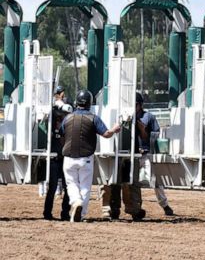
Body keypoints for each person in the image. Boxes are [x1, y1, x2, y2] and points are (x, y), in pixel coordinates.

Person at [61, 90, 121, 222]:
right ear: (90, 103)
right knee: (85, 187)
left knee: (71, 184)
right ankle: (80, 214)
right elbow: (106, 134)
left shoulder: (67, 118)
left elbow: (61, 133)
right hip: (86, 158)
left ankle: (76, 201)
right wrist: (115, 129)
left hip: (68, 158)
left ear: (76, 102)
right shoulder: (94, 118)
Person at [134, 93, 175, 217]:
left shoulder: (149, 117)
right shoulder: (126, 118)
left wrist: (141, 128)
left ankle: (164, 204)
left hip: (146, 153)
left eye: (135, 105)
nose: (133, 107)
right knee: (132, 182)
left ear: (140, 105)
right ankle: (136, 207)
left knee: (155, 180)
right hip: (132, 154)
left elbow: (154, 136)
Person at [41, 86, 72, 220]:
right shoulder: (52, 113)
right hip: (54, 156)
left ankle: (65, 213)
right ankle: (47, 213)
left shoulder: (69, 113)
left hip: (66, 156)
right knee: (52, 187)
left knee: (68, 188)